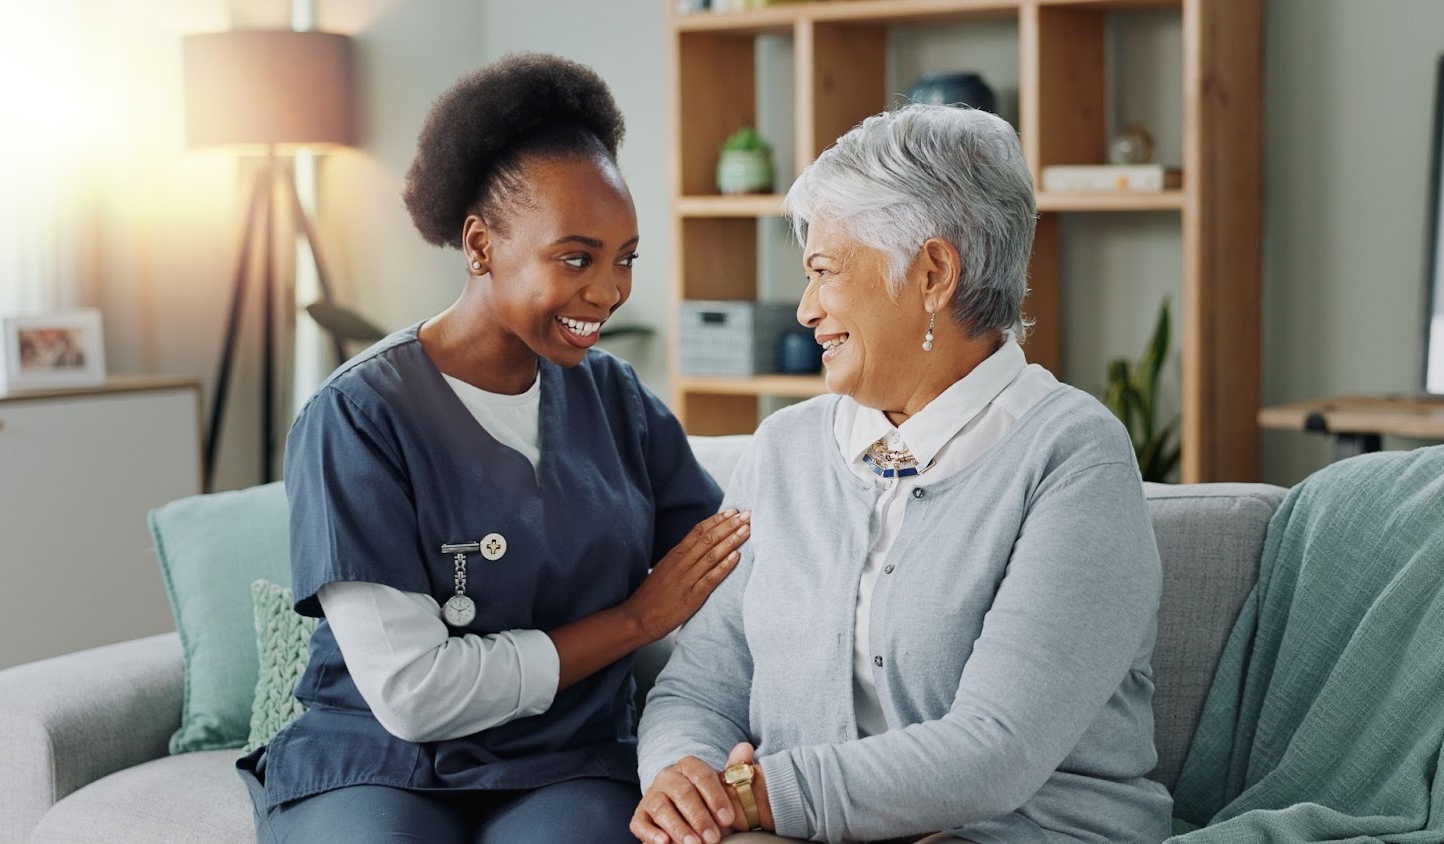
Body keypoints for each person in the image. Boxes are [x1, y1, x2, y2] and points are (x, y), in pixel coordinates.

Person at [237, 53, 749, 843]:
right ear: (480, 245)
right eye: (576, 258)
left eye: (625, 259)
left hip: (568, 760)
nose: (609, 291)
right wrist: (635, 620)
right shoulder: (359, 417)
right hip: (381, 755)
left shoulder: (614, 400)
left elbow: (734, 574)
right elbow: (413, 694)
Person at [634, 104, 1171, 844]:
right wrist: (683, 779)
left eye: (825, 272)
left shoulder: (1073, 459)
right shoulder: (785, 450)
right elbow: (700, 685)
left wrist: (757, 795)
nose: (806, 309)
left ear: (933, 273)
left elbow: (995, 752)